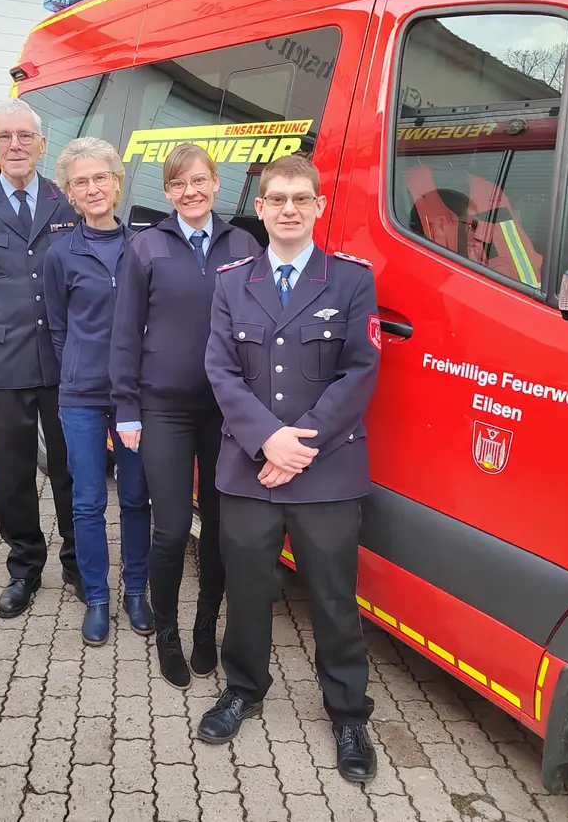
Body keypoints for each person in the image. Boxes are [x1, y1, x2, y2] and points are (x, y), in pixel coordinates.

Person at [195, 153, 381, 782]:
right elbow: (220, 369)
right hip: (250, 466)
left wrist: (298, 446)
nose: (289, 210)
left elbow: (360, 370)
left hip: (325, 468)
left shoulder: (351, 280)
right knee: (246, 590)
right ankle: (243, 689)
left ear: (319, 205)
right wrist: (266, 441)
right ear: (262, 207)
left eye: (301, 199)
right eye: (277, 199)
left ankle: (349, 712)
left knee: (332, 598)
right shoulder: (231, 280)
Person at [109, 143, 259, 689]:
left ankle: (203, 629)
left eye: (199, 181)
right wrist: (126, 407)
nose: (190, 192)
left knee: (220, 531)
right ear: (167, 192)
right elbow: (124, 332)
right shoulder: (147, 247)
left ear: (216, 182)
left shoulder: (244, 244)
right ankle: (167, 631)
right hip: (162, 409)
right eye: (178, 184)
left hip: (226, 412)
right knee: (172, 529)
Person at [0, 98, 81, 619]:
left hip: (65, 359)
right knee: (13, 471)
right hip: (4, 362)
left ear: (42, 145)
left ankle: (76, 562)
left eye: (25, 136)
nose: (16, 145)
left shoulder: (65, 200)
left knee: (73, 467)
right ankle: (25, 566)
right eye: (5, 137)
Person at [41, 137, 154, 646]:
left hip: (134, 397)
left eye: (100, 177)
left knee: (135, 498)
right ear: (69, 192)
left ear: (117, 181)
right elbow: (59, 328)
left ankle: (135, 591)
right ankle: (98, 596)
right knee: (87, 501)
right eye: (81, 181)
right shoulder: (60, 254)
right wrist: (82, 367)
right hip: (81, 397)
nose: (93, 188)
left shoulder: (144, 246)